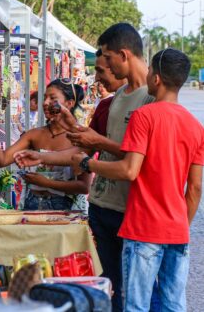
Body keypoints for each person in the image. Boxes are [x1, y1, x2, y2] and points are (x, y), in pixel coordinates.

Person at [15, 23, 156, 312]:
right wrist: (43, 156)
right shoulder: (117, 98)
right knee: (110, 287)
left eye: (105, 59)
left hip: (131, 211)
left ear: (123, 54)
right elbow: (88, 148)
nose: (101, 66)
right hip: (103, 206)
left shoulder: (151, 99)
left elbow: (143, 159)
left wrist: (95, 143)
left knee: (137, 295)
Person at [72, 49, 204, 312]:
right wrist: (180, 226)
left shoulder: (144, 116)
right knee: (173, 304)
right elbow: (196, 187)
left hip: (143, 229)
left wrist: (87, 163)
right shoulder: (195, 126)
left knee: (135, 305)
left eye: (151, 71)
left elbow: (129, 170)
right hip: (177, 232)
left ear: (156, 79)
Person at [0, 79, 92, 210]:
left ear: (70, 103)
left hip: (66, 208)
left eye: (52, 98)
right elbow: (1, 161)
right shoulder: (34, 134)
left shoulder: (80, 137)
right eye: (45, 98)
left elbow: (84, 186)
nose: (45, 103)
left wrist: (47, 183)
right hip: (32, 204)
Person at [89, 49, 127, 137]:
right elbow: (88, 143)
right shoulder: (104, 105)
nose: (96, 78)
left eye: (100, 71)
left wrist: (100, 142)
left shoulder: (147, 101)